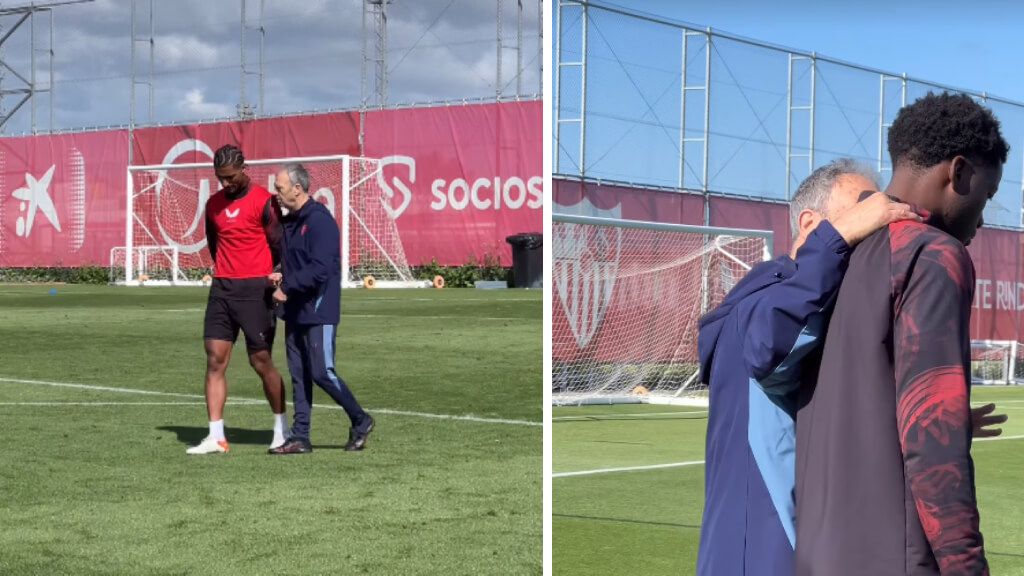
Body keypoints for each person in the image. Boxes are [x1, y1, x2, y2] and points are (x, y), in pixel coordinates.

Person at [795, 92, 1010, 576]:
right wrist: (966, 566)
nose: (983, 215)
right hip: (894, 555)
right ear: (958, 173)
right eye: (987, 194)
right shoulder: (933, 255)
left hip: (815, 552)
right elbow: (932, 442)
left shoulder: (837, 252)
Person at [695, 159, 925, 575]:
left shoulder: (822, 302)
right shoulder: (763, 300)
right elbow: (769, 347)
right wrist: (837, 239)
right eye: (863, 209)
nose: (875, 219)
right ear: (809, 223)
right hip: (761, 555)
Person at [187, 144, 289, 455]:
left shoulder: (265, 201)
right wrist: (227, 270)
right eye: (220, 177)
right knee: (214, 359)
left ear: (244, 169)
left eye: (230, 176)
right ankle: (216, 436)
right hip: (222, 289)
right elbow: (214, 244)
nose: (226, 183)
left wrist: (273, 278)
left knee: (260, 361)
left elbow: (279, 245)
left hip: (256, 291)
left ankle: (281, 430)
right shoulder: (213, 205)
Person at [268, 163, 375, 454]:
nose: (276, 193)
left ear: (297, 189)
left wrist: (287, 287)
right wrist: (280, 273)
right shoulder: (290, 222)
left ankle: (361, 420)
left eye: (280, 188)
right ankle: (300, 436)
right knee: (299, 374)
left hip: (318, 310)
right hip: (295, 311)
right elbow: (296, 263)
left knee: (321, 372)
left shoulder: (319, 220)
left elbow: (321, 268)